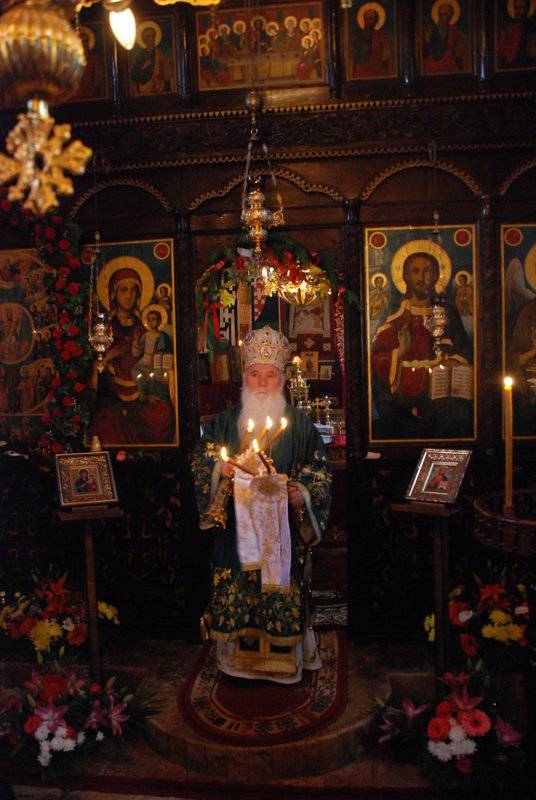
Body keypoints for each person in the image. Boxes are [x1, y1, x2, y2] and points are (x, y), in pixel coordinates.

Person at [192, 326, 332, 684]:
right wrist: (220, 468)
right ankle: (234, 662)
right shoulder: (225, 422)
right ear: (245, 377)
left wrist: (301, 492)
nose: (263, 383)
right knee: (238, 587)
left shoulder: (300, 425)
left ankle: (287, 661)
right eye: (255, 374)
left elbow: (318, 469)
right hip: (235, 534)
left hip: (282, 533)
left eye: (270, 375)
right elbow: (202, 458)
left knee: (279, 588)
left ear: (282, 379)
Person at [371, 251, 472, 437]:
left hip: (440, 394)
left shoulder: (447, 313)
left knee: (457, 416)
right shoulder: (394, 315)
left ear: (435, 275)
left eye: (427, 271)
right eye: (415, 271)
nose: (422, 277)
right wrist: (400, 352)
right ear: (406, 276)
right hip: (401, 397)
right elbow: (377, 360)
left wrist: (454, 361)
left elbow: (465, 350)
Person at [90, 267, 175, 444]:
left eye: (134, 290)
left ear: (139, 294)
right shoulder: (104, 330)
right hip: (112, 396)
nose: (129, 295)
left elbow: (157, 363)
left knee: (163, 416)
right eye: (124, 290)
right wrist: (109, 357)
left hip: (143, 394)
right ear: (114, 293)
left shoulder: (146, 327)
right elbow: (97, 372)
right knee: (106, 421)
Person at [423, 2, 468, 75]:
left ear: (450, 16)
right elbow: (426, 53)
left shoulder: (455, 32)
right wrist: (427, 41)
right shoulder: (431, 31)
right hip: (433, 67)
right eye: (439, 14)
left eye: (444, 14)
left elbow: (460, 53)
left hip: (449, 67)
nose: (441, 18)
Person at [130, 22, 174, 96]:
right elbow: (133, 74)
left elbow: (168, 71)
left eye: (153, 36)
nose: (152, 38)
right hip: (144, 88)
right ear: (144, 39)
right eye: (149, 36)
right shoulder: (140, 55)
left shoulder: (159, 54)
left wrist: (161, 78)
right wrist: (144, 67)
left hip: (159, 87)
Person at [353, 4, 393, 79]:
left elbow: (386, 57)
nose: (367, 22)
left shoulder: (381, 36)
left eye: (370, 19)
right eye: (365, 19)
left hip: (377, 71)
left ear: (375, 21)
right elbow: (355, 57)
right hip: (361, 72)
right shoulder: (359, 36)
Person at [497, 0, 536, 69]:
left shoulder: (531, 28)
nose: (518, 11)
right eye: (516, 7)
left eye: (521, 7)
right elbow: (504, 51)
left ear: (527, 9)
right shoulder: (509, 28)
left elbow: (531, 53)